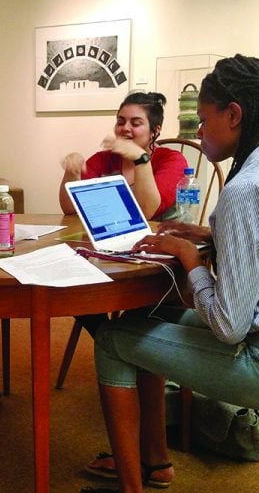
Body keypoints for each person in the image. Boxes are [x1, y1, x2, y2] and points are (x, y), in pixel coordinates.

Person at [88, 55, 259, 492]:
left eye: (205, 118)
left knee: (112, 339)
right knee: (149, 321)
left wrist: (191, 259)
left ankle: (131, 484)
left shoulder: (246, 189)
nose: (197, 131)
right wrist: (210, 235)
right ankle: (153, 463)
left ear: (234, 115)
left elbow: (231, 326)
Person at [58, 92, 188, 336]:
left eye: (136, 123)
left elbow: (148, 211)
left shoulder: (172, 159)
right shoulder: (103, 160)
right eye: (120, 121)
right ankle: (110, 337)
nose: (125, 128)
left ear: (155, 131)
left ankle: (112, 340)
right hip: (109, 247)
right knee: (71, 282)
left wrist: (141, 159)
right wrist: (72, 172)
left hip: (154, 257)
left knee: (139, 309)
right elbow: (69, 208)